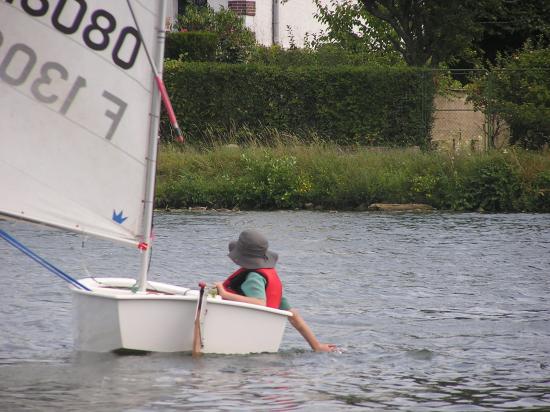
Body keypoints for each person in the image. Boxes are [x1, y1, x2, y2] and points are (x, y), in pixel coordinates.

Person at [215, 229, 337, 352]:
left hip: (242, 334)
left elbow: (259, 303)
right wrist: (316, 346)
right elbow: (293, 315)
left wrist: (224, 293)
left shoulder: (253, 278)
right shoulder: (266, 279)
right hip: (262, 340)